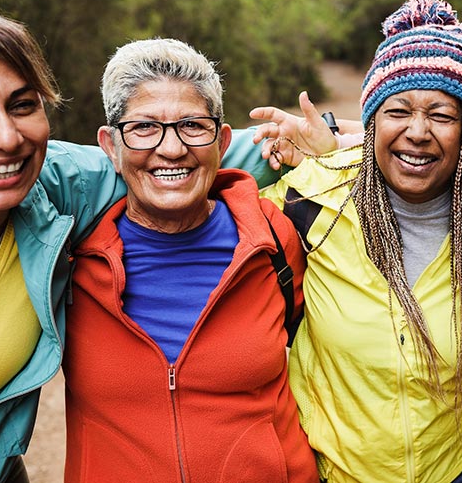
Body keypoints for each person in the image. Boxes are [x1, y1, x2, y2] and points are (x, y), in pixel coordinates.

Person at [0, 0, 277, 483]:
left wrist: (348, 134)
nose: (4, 137)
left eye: (22, 105)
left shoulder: (53, 188)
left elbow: (175, 155)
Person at [254, 0, 462, 483]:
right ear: (371, 123)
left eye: (443, 115)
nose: (418, 132)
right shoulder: (310, 201)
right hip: (333, 471)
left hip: (461, 467)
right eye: (398, 111)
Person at [61, 38, 318, 483]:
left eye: (193, 126)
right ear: (110, 145)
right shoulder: (70, 259)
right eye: (143, 128)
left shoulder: (273, 239)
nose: (172, 149)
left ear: (221, 141)